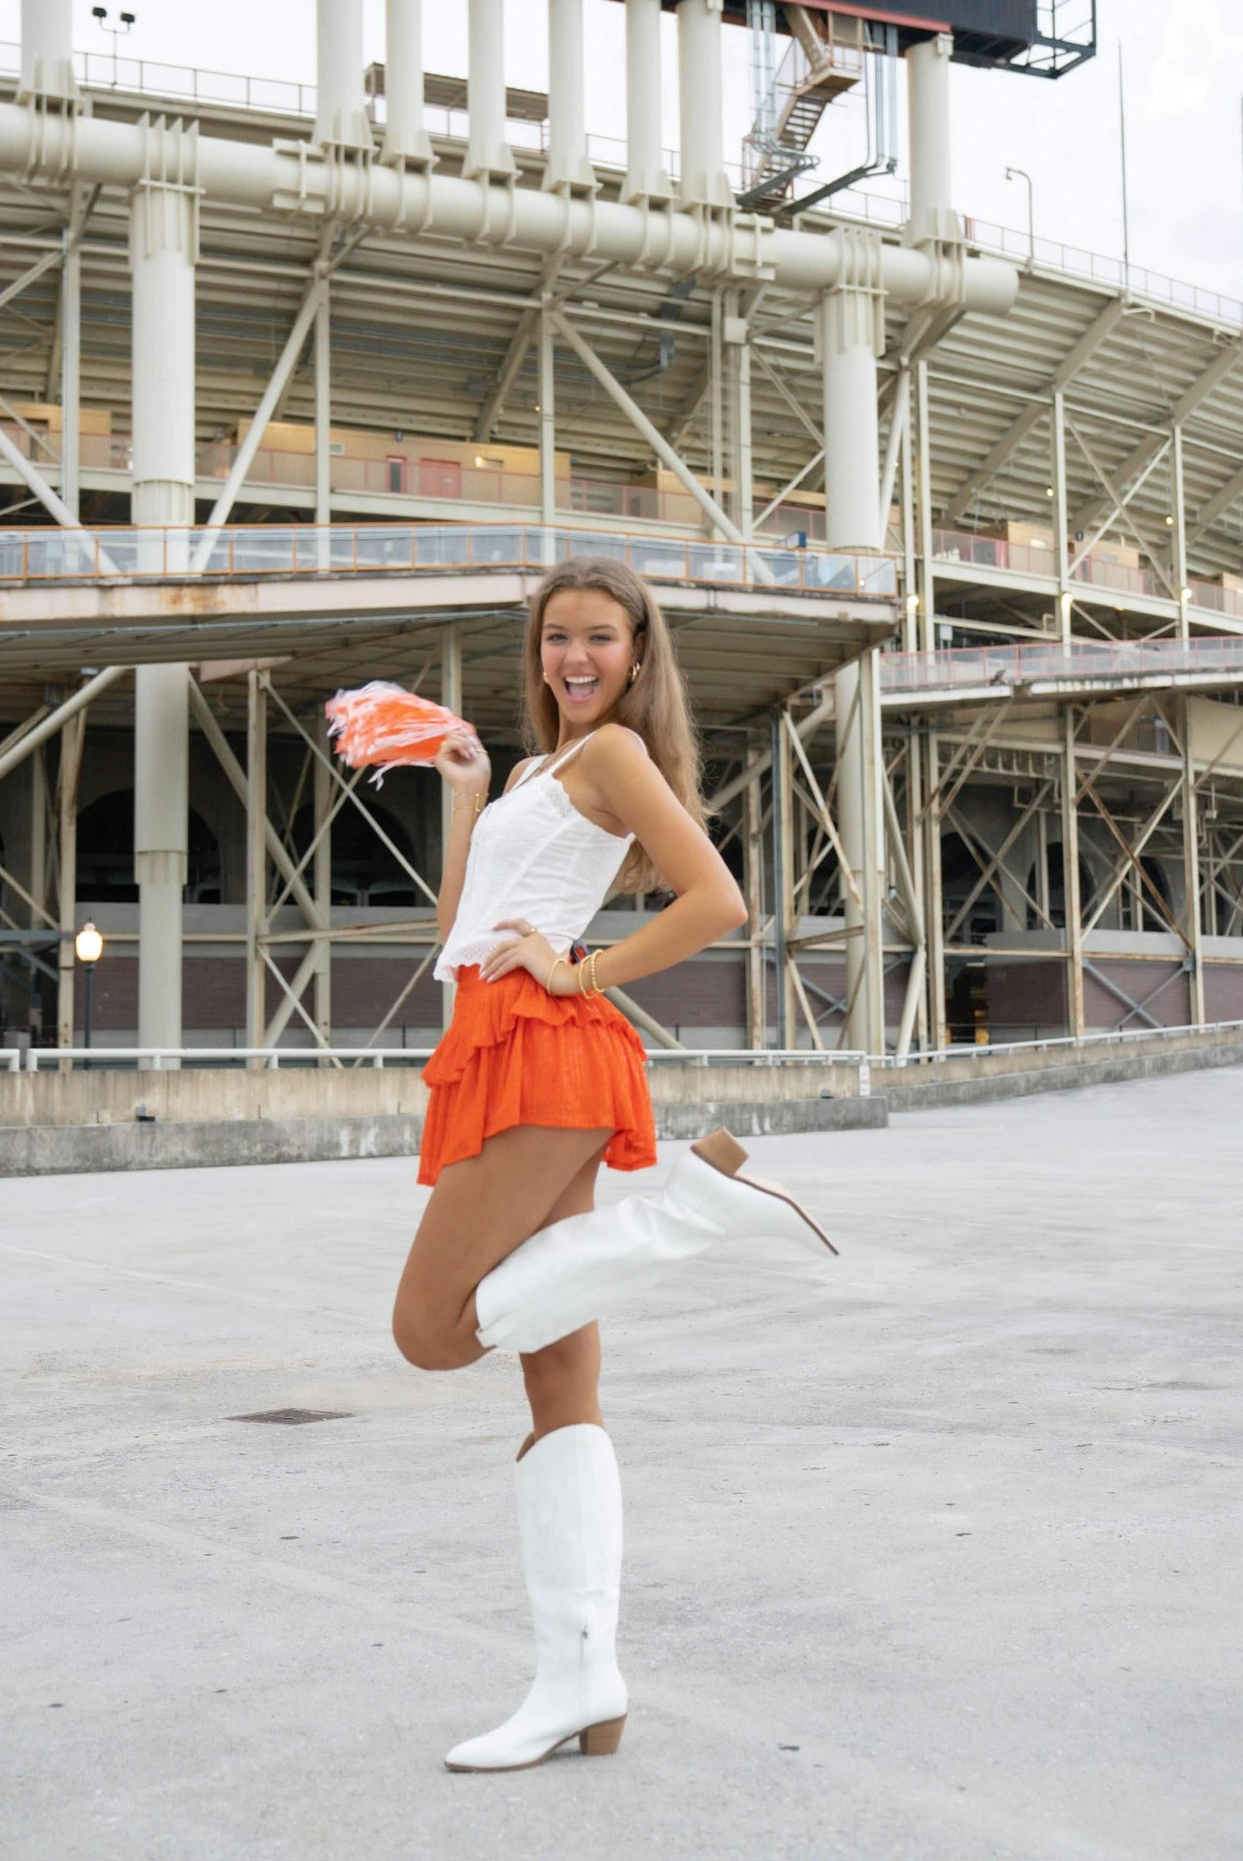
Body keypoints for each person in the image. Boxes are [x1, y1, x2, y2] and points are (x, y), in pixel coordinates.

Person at [392, 556, 837, 1773]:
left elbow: (717, 898)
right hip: (497, 1031)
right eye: (553, 638)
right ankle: (578, 1680)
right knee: (559, 1384)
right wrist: (465, 797)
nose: (572, 658)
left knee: (430, 1330)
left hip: (545, 1047)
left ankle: (695, 1209)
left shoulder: (611, 757)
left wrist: (580, 971)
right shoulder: (538, 767)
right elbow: (459, 939)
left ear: (637, 653)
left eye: (596, 638)